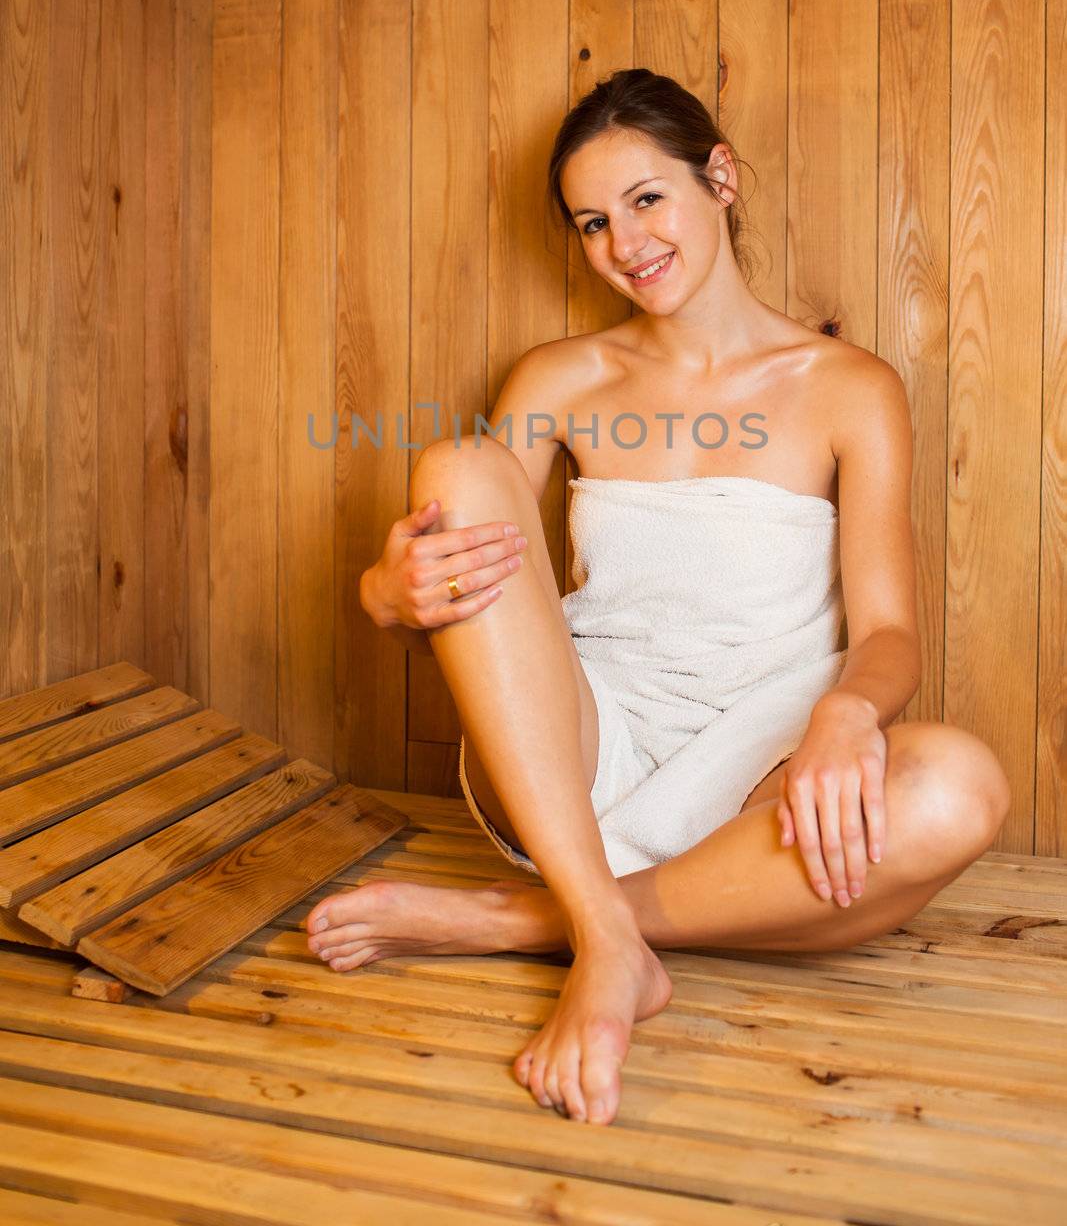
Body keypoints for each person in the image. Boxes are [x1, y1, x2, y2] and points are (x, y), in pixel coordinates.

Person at [306, 68, 1011, 1127]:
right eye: (593, 221)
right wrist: (382, 588)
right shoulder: (559, 377)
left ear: (717, 176)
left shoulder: (848, 389)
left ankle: (530, 924)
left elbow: (889, 633)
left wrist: (845, 712)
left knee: (955, 786)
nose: (623, 242)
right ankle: (597, 927)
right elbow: (459, 563)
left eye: (645, 199)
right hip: (575, 757)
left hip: (756, 780)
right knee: (457, 469)